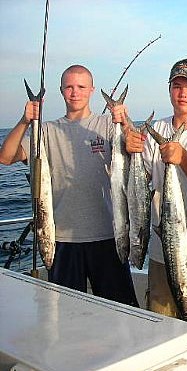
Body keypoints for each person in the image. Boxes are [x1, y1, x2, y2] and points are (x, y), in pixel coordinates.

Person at [121, 58, 187, 370]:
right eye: (176, 86)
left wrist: (185, 159)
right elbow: (137, 186)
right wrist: (127, 148)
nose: (183, 93)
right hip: (160, 249)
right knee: (162, 332)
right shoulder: (155, 130)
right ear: (169, 90)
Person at [0, 64, 139, 307]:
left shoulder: (107, 125)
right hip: (60, 239)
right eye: (69, 87)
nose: (75, 92)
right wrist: (25, 121)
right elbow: (6, 157)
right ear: (61, 91)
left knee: (122, 312)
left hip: (110, 236)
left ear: (92, 90)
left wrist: (124, 120)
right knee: (66, 315)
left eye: (81, 87)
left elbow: (135, 145)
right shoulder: (46, 130)